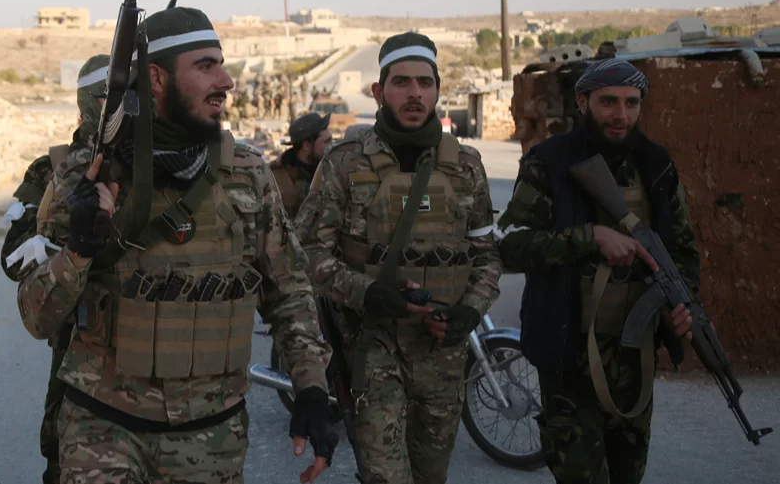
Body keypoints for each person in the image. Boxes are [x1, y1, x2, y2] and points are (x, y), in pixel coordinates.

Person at [18, 6, 337, 484]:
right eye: (205, 66)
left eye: (221, 64)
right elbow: (37, 318)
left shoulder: (247, 173)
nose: (226, 81)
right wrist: (79, 248)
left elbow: (289, 292)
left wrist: (311, 387)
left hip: (212, 437)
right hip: (102, 429)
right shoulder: (86, 175)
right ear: (156, 78)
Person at [295, 32, 503, 484]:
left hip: (442, 356)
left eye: (425, 83)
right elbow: (307, 253)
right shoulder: (344, 164)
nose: (415, 93)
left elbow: (487, 257)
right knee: (385, 477)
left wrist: (470, 312)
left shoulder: (466, 166)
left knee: (432, 475)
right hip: (373, 351)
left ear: (437, 90)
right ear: (379, 91)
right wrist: (367, 292)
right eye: (402, 82)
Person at [496, 58, 698, 484]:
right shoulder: (549, 162)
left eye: (631, 103)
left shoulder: (656, 165)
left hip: (634, 357)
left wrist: (680, 305)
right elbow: (511, 245)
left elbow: (682, 250)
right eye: (608, 102)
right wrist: (590, 238)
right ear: (583, 102)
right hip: (567, 355)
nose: (621, 114)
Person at [2, 53, 109, 484]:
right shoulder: (52, 169)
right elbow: (13, 257)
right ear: (88, 102)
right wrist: (60, 248)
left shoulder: (153, 164)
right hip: (77, 340)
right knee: (65, 457)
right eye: (108, 97)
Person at [271, 112, 332, 220]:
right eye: (326, 142)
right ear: (307, 145)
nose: (331, 146)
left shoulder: (331, 169)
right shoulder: (276, 177)